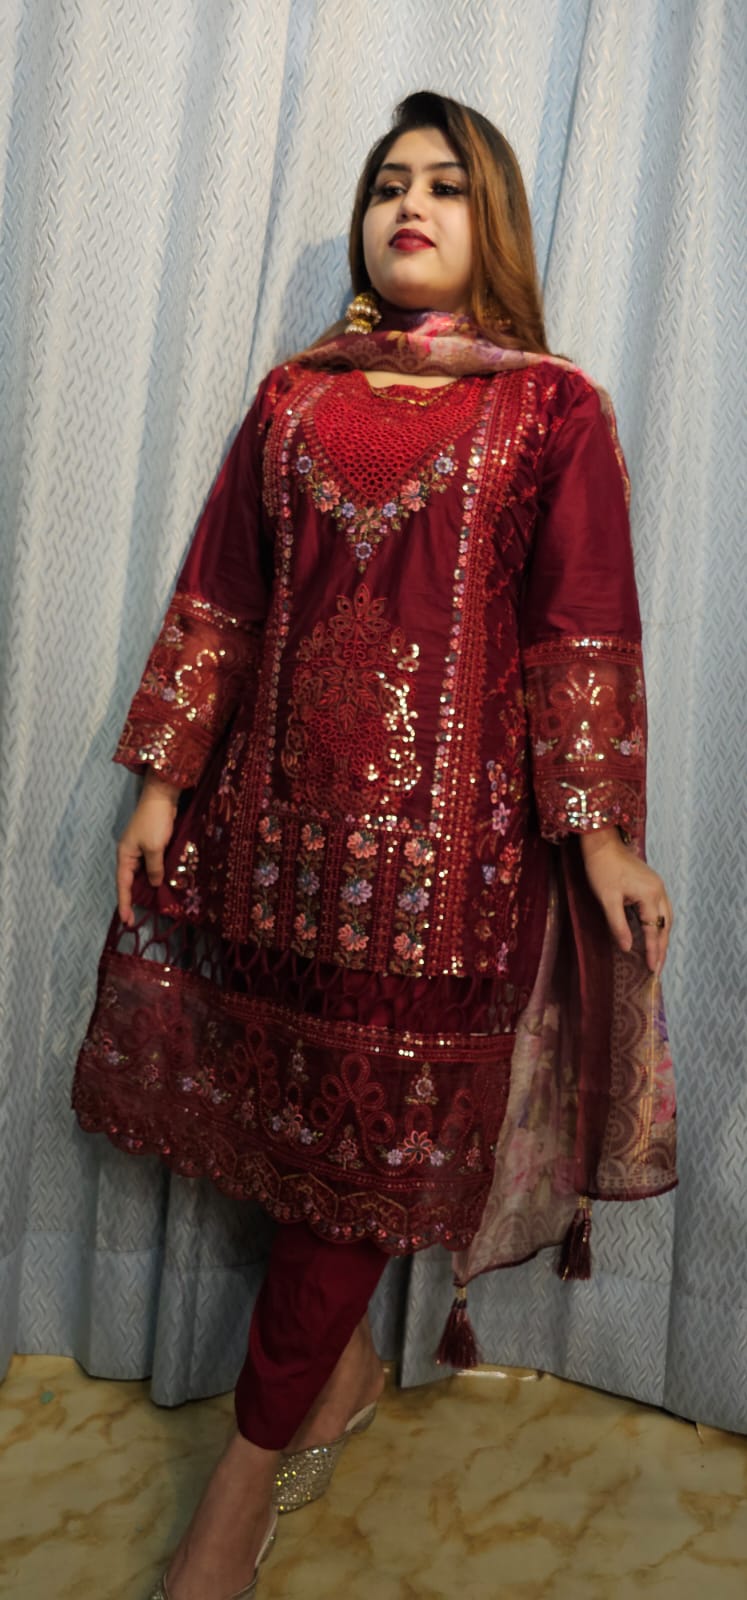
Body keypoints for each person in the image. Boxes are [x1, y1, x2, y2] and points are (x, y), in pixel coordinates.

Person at [71, 91, 677, 1599]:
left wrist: (601, 836)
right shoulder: (292, 398)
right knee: (297, 1142)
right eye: (389, 182)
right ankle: (335, 1376)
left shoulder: (549, 410)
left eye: (447, 186)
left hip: (445, 875)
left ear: (495, 224)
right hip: (273, 843)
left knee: (367, 1147)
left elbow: (578, 627)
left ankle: (244, 1478)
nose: (410, 204)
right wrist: (163, 784)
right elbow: (223, 591)